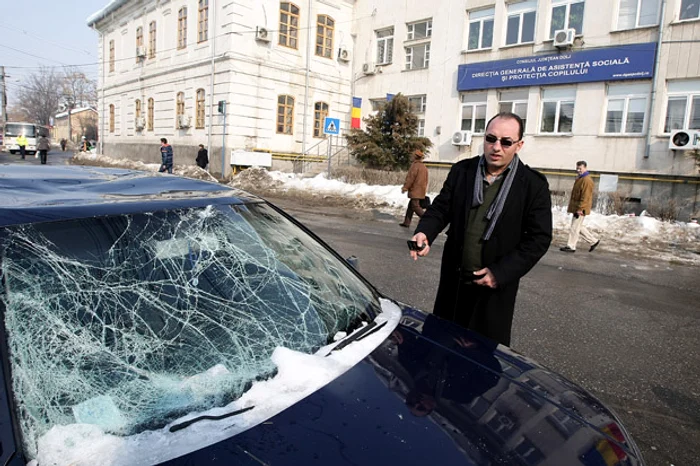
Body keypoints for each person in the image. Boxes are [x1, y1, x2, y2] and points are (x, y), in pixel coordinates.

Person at [409, 112, 552, 346]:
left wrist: (501, 273)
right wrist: (425, 231)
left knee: (482, 360)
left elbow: (538, 239)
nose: (496, 147)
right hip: (455, 282)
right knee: (442, 349)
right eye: (490, 139)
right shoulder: (463, 171)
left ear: (519, 145)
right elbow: (441, 208)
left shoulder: (533, 185)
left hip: (492, 288)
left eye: (506, 142)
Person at [560, 161, 600, 253]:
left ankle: (571, 246)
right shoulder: (581, 178)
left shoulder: (586, 180)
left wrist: (580, 209)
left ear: (585, 168)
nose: (578, 170)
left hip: (580, 208)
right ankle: (593, 241)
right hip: (577, 207)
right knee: (578, 226)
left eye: (580, 169)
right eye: (577, 168)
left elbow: (586, 196)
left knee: (574, 227)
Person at [399, 149, 429, 228]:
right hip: (421, 190)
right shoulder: (423, 167)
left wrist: (405, 187)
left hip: (415, 189)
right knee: (411, 206)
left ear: (415, 157)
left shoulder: (415, 166)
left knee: (415, 206)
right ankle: (406, 222)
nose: (411, 157)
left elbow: (410, 178)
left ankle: (427, 219)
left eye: (412, 156)